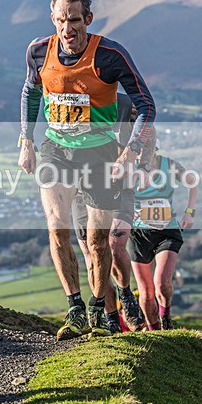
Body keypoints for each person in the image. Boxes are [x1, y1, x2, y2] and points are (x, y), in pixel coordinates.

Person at [18, 0, 155, 340]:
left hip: (99, 155)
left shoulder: (110, 55)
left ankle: (99, 308)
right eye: (61, 20)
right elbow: (31, 92)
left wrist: (132, 150)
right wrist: (26, 141)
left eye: (75, 20)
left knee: (98, 243)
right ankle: (75, 308)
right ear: (53, 20)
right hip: (56, 149)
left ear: (88, 19)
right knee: (56, 227)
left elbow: (147, 105)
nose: (68, 29)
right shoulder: (37, 51)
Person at [71, 93, 146, 334]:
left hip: (118, 184)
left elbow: (146, 132)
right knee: (92, 255)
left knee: (113, 244)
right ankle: (108, 314)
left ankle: (125, 292)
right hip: (81, 188)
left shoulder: (123, 103)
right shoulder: (67, 101)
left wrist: (141, 163)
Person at [128, 133, 199, 331]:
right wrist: (125, 213)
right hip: (139, 234)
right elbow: (116, 192)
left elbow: (192, 183)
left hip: (167, 230)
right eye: (139, 151)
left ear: (155, 149)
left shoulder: (169, 165)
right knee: (146, 292)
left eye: (147, 150)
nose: (143, 154)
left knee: (161, 283)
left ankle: (165, 316)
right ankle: (154, 331)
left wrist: (189, 213)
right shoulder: (131, 168)